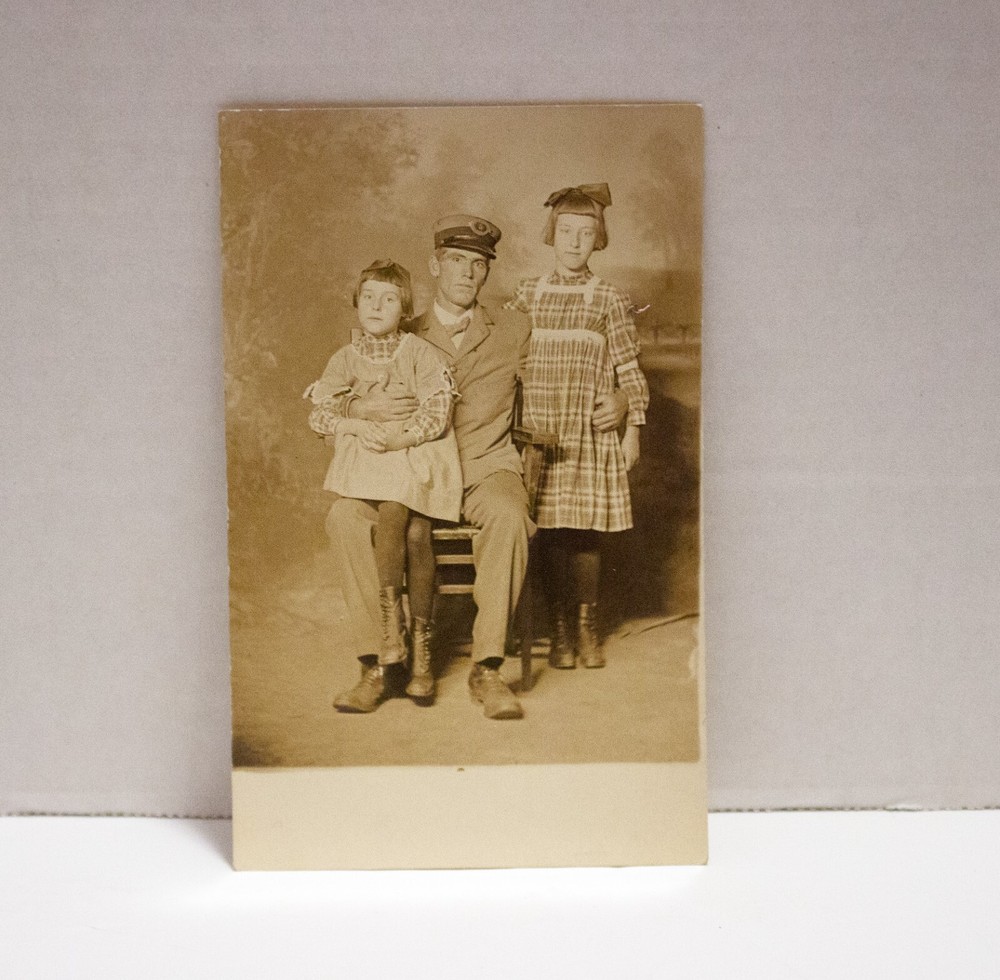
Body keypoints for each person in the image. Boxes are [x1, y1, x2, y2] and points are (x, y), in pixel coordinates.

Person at [306, 259, 462, 710]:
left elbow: (437, 410)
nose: (377, 306)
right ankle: (396, 652)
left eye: (389, 298)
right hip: (371, 465)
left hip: (413, 457)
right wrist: (355, 420)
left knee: (402, 514)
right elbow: (320, 413)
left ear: (405, 308)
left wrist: (401, 435)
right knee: (400, 525)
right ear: (356, 303)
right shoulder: (343, 358)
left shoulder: (418, 351)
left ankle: (401, 643)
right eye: (369, 297)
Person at [507, 184, 649, 669]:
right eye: (566, 232)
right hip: (539, 432)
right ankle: (560, 629)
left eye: (585, 234)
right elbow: (503, 361)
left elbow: (628, 367)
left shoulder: (608, 296)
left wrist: (629, 416)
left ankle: (587, 627)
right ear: (552, 235)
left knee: (584, 532)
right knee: (546, 532)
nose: (574, 242)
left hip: (588, 432)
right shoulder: (528, 293)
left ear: (598, 240)